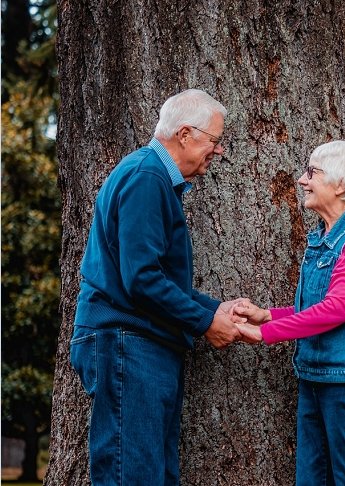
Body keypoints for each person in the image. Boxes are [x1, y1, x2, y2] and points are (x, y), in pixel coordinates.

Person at [69, 89, 247, 485]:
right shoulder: (147, 177)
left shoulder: (153, 178)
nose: (217, 152)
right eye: (214, 141)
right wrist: (205, 322)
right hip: (128, 344)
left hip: (140, 344)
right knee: (133, 477)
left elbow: (150, 277)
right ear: (185, 134)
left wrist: (216, 310)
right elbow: (142, 282)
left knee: (155, 476)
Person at [234, 140, 345, 486]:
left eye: (312, 172)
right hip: (320, 375)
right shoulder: (327, 235)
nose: (302, 180)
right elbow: (319, 308)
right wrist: (268, 316)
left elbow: (339, 308)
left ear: (340, 185)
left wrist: (266, 334)